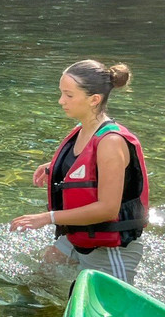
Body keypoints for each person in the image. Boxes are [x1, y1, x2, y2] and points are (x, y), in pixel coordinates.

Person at [10, 60, 149, 285]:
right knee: (38, 281)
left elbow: (107, 209)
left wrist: (48, 218)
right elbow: (87, 165)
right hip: (77, 237)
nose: (61, 101)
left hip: (110, 248)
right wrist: (53, 167)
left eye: (69, 95)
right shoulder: (82, 130)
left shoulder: (111, 142)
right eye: (61, 93)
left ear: (94, 99)